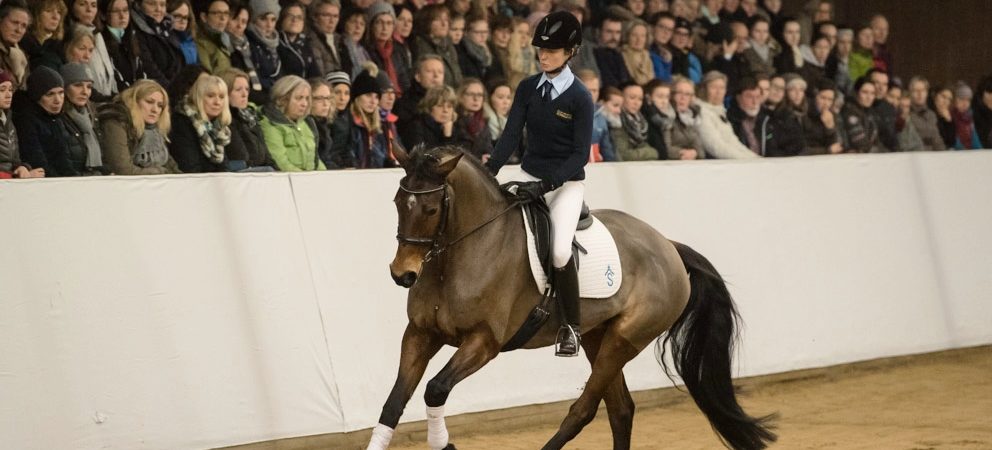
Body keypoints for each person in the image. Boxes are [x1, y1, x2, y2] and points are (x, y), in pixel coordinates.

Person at [484, 11, 593, 357]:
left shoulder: (580, 97)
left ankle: (571, 328)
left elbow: (580, 156)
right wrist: (490, 170)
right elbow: (510, 135)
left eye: (553, 50)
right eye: (540, 49)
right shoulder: (528, 88)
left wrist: (546, 185)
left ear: (571, 52)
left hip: (566, 183)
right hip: (530, 176)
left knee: (560, 250)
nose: (543, 55)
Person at [169, 74, 251, 172]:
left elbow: (224, 167)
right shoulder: (182, 123)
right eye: (211, 96)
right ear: (198, 97)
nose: (217, 102)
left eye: (221, 97)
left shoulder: (217, 127)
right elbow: (191, 169)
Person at [97, 79, 180, 174]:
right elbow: (123, 170)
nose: (155, 110)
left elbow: (171, 166)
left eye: (160, 105)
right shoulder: (115, 122)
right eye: (149, 102)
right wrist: (159, 172)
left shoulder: (154, 130)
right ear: (134, 101)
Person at [13, 67, 82, 177]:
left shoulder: (56, 119)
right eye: (50, 94)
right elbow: (38, 162)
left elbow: (63, 161)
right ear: (37, 96)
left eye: (61, 93)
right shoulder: (25, 121)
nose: (58, 100)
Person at [329, 64, 394, 168]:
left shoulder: (381, 128)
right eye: (368, 96)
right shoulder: (349, 124)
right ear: (356, 97)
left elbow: (385, 157)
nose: (373, 101)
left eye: (376, 97)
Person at [260, 75, 325, 170]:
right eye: (299, 98)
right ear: (283, 99)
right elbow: (280, 162)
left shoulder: (307, 122)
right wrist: (307, 180)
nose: (304, 104)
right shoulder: (270, 123)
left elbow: (316, 159)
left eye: (307, 98)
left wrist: (326, 177)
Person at [59, 63, 110, 175]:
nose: (85, 92)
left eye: (89, 87)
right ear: (64, 87)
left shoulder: (92, 115)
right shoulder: (58, 118)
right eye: (78, 85)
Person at [694, 71, 759, 159]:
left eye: (722, 88)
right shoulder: (700, 112)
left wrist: (756, 159)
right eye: (713, 87)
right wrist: (747, 161)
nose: (718, 92)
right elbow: (716, 147)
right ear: (704, 89)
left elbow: (733, 142)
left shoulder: (721, 112)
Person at [219, 68, 274, 170]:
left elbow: (266, 157)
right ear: (225, 92)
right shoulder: (226, 121)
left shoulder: (251, 117)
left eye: (247, 89)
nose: (244, 94)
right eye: (238, 90)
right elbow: (241, 157)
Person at [66, 0, 119, 101]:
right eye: (82, 4)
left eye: (93, 5)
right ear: (72, 7)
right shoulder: (71, 35)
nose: (89, 10)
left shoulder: (98, 35)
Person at [131, 0, 185, 88]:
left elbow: (179, 64)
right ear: (138, 5)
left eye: (162, 5)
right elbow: (150, 70)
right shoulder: (135, 32)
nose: (158, 9)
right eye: (151, 4)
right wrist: (173, 91)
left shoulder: (165, 26)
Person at [0, 70, 43, 178]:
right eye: (2, 90)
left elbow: (14, 161)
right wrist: (18, 177)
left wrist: (23, 168)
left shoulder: (8, 121)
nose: (9, 94)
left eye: (10, 90)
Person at [365, 2, 411, 97]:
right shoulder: (366, 51)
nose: (385, 28)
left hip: (399, 100)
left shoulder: (397, 51)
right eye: (379, 22)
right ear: (371, 25)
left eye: (389, 23)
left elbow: (405, 82)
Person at [411, 4, 462, 88]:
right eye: (438, 19)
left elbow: (457, 74)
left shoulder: (448, 44)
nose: (444, 23)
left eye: (446, 19)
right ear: (426, 22)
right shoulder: (420, 46)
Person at [100, 0, 146, 92]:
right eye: (116, 11)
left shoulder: (131, 39)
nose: (122, 16)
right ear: (103, 15)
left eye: (125, 10)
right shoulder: (101, 42)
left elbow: (141, 75)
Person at [611, 82, 658, 160]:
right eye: (632, 98)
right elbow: (623, 155)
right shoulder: (617, 121)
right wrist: (650, 152)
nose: (636, 103)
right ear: (621, 98)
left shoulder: (642, 122)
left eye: (640, 99)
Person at [245, 0, 283, 91]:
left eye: (273, 20)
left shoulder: (279, 44)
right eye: (263, 19)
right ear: (253, 20)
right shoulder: (249, 44)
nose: (269, 25)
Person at [454, 78, 494, 159]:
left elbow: (488, 148)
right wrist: (479, 158)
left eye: (479, 95)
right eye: (471, 94)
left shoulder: (484, 120)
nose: (476, 99)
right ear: (461, 96)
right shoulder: (453, 120)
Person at [839, 76, 881, 153]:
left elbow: (876, 141)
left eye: (872, 93)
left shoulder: (870, 113)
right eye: (865, 92)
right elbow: (859, 143)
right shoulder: (849, 111)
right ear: (856, 92)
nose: (869, 97)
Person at [666, 75, 704, 160]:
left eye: (687, 94)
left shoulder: (693, 117)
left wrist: (695, 153)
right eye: (679, 93)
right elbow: (665, 148)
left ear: (691, 98)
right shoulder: (666, 116)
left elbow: (701, 151)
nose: (683, 98)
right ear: (671, 95)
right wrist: (681, 153)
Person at [22, 0, 66, 72]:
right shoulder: (24, 42)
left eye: (59, 12)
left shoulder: (60, 47)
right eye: (48, 11)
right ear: (36, 15)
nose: (55, 17)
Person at [800, 79, 842, 155]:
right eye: (823, 98)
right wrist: (827, 151)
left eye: (830, 100)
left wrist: (830, 128)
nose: (826, 103)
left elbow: (837, 146)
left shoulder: (832, 116)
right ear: (815, 96)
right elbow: (801, 149)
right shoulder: (804, 113)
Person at [906, 76, 946, 151]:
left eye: (923, 90)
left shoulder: (931, 115)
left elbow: (937, 140)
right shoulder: (907, 113)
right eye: (916, 90)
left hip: (933, 157)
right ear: (910, 93)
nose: (920, 94)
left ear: (927, 93)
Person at [306, 0, 344, 76]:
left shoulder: (340, 40)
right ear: (315, 17)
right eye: (326, 15)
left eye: (335, 16)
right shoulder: (311, 40)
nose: (332, 21)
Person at [194, 0, 232, 74]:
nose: (223, 18)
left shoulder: (226, 41)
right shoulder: (200, 43)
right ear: (204, 17)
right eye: (217, 13)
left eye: (226, 13)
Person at [0, 2, 30, 90]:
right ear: (1, 20)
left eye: (24, 26)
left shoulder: (22, 55)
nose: (19, 30)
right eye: (14, 23)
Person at [308, 78, 336, 167]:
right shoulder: (307, 125)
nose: (325, 103)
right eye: (319, 98)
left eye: (328, 98)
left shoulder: (324, 125)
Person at [640, 79, 670, 160]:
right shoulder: (646, 119)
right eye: (660, 97)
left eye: (667, 97)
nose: (664, 101)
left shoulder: (665, 120)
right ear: (648, 98)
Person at [950, 81, 982, 150]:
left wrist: (980, 153)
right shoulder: (951, 117)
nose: (965, 103)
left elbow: (974, 138)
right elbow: (954, 138)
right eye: (961, 99)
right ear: (954, 100)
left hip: (969, 154)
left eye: (968, 100)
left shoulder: (969, 117)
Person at [168, 0, 200, 65]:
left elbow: (198, 65)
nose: (182, 21)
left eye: (185, 17)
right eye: (177, 16)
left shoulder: (190, 40)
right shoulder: (164, 40)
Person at [483, 78, 512, 148]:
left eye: (508, 97)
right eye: (500, 97)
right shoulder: (484, 123)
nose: (506, 102)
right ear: (489, 98)